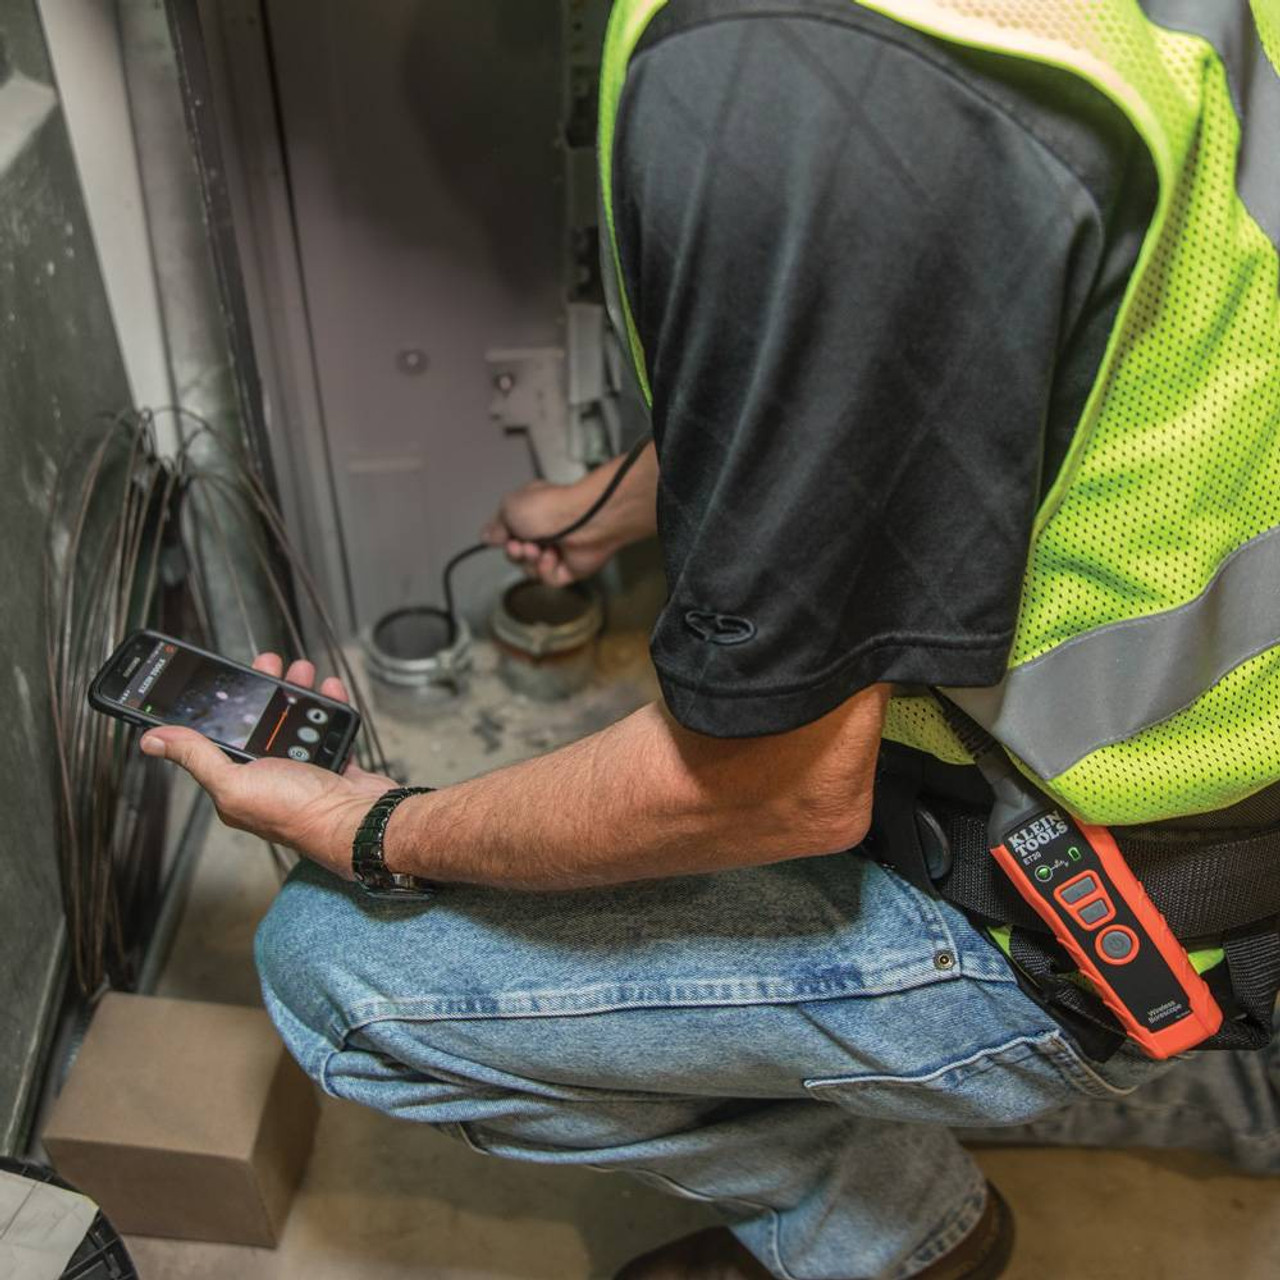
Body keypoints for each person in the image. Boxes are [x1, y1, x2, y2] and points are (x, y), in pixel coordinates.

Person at [139, 2, 1280, 1276]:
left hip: (1128, 887)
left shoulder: (789, 75)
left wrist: (374, 827)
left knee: (330, 962)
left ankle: (894, 1238)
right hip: (1215, 750)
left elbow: (769, 791)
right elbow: (947, 362)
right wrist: (607, 509)